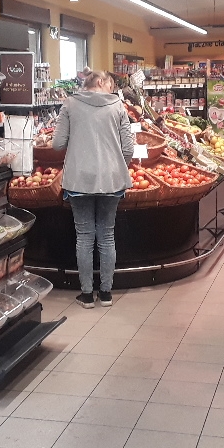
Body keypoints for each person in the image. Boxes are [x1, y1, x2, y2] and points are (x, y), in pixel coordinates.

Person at [52, 69, 134, 308]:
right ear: (100, 81)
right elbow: (128, 148)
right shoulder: (118, 106)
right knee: (107, 235)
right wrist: (117, 166)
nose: (112, 90)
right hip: (111, 179)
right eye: (110, 85)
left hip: (79, 179)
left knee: (85, 236)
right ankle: (106, 293)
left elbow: (57, 144)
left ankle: (87, 294)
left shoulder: (70, 104)